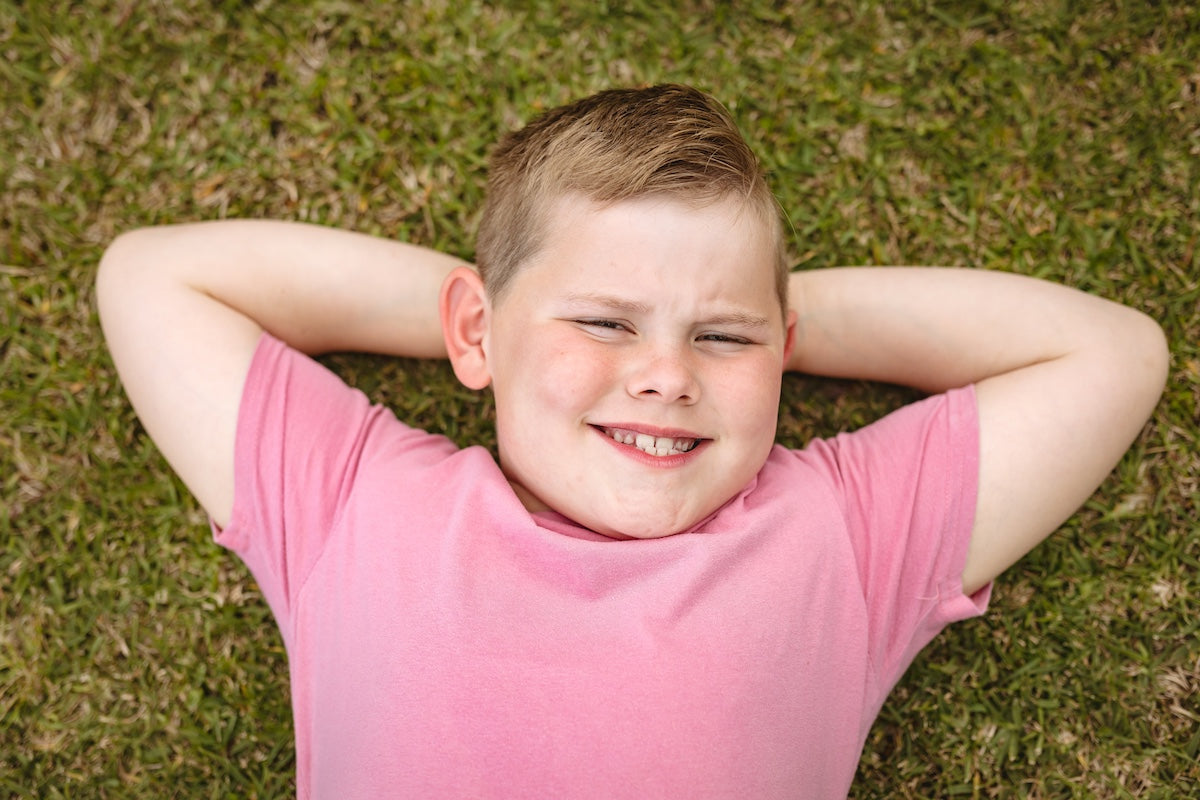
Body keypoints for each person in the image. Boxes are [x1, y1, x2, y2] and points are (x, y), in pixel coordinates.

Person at [96, 84, 1168, 798]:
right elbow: (152, 276)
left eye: (721, 337)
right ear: (472, 329)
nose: (666, 373)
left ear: (780, 350)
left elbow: (1111, 355)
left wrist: (777, 318)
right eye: (604, 322)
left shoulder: (839, 536)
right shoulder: (356, 501)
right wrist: (513, 314)